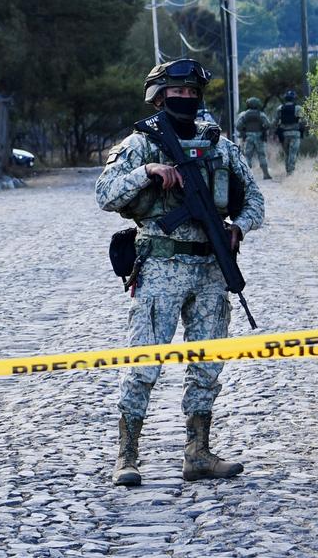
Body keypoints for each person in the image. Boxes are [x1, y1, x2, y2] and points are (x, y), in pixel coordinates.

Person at [96, 59, 264, 487]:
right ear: (158, 97)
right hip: (161, 266)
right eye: (177, 93)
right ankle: (127, 456)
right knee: (143, 361)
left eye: (192, 93)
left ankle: (198, 453)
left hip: (210, 268)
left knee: (207, 363)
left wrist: (238, 227)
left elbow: (255, 202)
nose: (185, 99)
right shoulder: (141, 144)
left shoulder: (218, 146)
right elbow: (105, 193)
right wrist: (147, 171)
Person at [234, 97, 273, 180]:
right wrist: (262, 129)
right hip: (259, 137)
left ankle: (246, 176)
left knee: (247, 156)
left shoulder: (244, 115)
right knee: (262, 156)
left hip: (248, 137)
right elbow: (268, 124)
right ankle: (266, 175)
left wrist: (244, 131)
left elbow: (238, 126)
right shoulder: (261, 114)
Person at [274, 89, 308, 176]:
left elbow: (275, 122)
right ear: (294, 98)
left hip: (284, 134)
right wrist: (303, 129)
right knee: (293, 153)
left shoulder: (280, 108)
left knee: (287, 154)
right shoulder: (298, 108)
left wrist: (277, 131)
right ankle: (291, 172)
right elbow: (304, 121)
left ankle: (287, 171)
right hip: (295, 134)